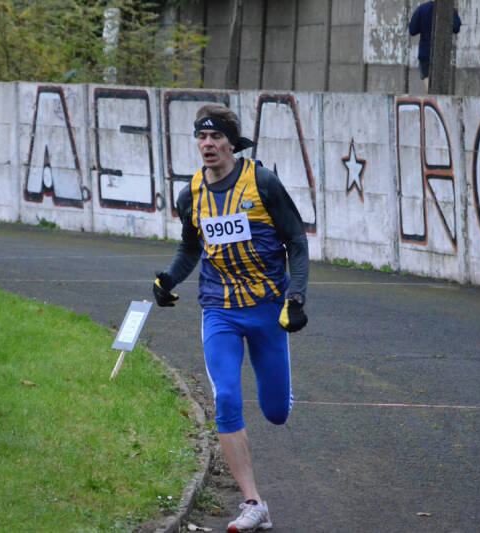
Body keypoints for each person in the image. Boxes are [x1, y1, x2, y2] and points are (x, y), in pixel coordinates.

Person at [152, 104, 309, 532]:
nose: (207, 145)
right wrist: (168, 278)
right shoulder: (191, 195)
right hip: (218, 308)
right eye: (201, 138)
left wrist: (296, 297)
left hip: (266, 308)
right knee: (226, 397)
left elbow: (296, 240)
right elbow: (191, 248)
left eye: (215, 138)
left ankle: (280, 392)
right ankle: (253, 503)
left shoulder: (262, 182)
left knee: (275, 411)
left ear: (231, 143)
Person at [409, 0, 461, 91]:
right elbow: (456, 27)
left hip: (425, 54)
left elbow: (412, 30)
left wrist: (424, 26)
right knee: (441, 86)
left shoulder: (421, 9)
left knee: (427, 82)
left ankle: (431, 101)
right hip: (442, 55)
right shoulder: (449, 10)